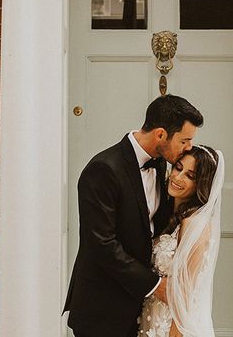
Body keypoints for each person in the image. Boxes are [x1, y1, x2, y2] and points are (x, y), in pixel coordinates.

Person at [64, 94, 204, 337]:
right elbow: (102, 244)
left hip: (140, 311)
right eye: (184, 140)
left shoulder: (161, 164)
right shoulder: (103, 169)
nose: (188, 148)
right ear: (161, 134)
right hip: (103, 308)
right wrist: (156, 286)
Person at [137, 144, 224, 337]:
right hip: (154, 315)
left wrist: (176, 329)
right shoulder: (170, 217)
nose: (177, 177)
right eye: (178, 168)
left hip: (173, 324)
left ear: (201, 184)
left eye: (190, 176)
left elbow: (186, 289)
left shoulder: (194, 224)